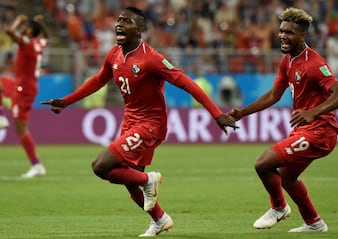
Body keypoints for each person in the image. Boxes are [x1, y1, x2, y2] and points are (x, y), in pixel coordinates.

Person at [41, 7, 237, 237]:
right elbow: (97, 80)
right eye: (119, 20)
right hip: (130, 122)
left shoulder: (152, 59)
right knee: (127, 179)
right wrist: (66, 101)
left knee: (101, 166)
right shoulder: (113, 54)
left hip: (151, 124)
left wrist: (216, 113)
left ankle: (149, 179)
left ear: (140, 29)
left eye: (127, 21)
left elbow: (186, 83)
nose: (119, 24)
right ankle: (160, 220)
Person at [229, 7, 338, 233]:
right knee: (287, 178)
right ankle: (314, 223)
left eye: (290, 32)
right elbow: (273, 95)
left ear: (303, 35)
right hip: (305, 130)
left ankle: (279, 207)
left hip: (320, 132)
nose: (283, 35)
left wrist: (314, 112)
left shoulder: (314, 63)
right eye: (282, 30)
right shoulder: (287, 61)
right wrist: (242, 112)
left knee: (263, 163)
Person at [4, 14, 49, 178]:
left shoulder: (27, 44)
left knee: (21, 128)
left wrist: (18, 21)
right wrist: (38, 23)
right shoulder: (39, 43)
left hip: (23, 89)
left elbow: (9, 31)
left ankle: (37, 165)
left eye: (27, 27)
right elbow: (45, 37)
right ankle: (2, 115)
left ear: (31, 31)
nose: (24, 28)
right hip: (24, 85)